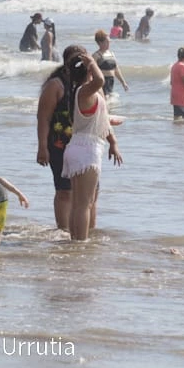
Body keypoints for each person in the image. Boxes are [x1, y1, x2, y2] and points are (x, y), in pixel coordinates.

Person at [61, 52, 123, 240]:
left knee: (78, 203)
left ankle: (75, 240)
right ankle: (81, 242)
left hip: (77, 147)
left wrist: (113, 142)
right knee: (84, 204)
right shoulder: (85, 90)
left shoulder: (83, 93)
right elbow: (100, 80)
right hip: (87, 149)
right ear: (88, 72)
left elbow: (99, 119)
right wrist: (92, 62)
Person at [37, 45, 87, 231]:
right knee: (64, 190)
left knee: (87, 193)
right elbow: (43, 117)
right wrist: (42, 146)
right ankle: (63, 231)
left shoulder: (86, 83)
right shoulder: (56, 85)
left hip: (83, 145)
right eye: (76, 59)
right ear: (67, 62)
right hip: (59, 144)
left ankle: (84, 231)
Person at [92, 29, 129, 96]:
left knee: (110, 99)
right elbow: (91, 71)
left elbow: (116, 69)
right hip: (102, 81)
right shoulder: (96, 55)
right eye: (107, 42)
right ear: (100, 43)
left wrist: (123, 82)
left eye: (109, 42)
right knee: (104, 99)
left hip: (111, 81)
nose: (109, 44)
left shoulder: (111, 54)